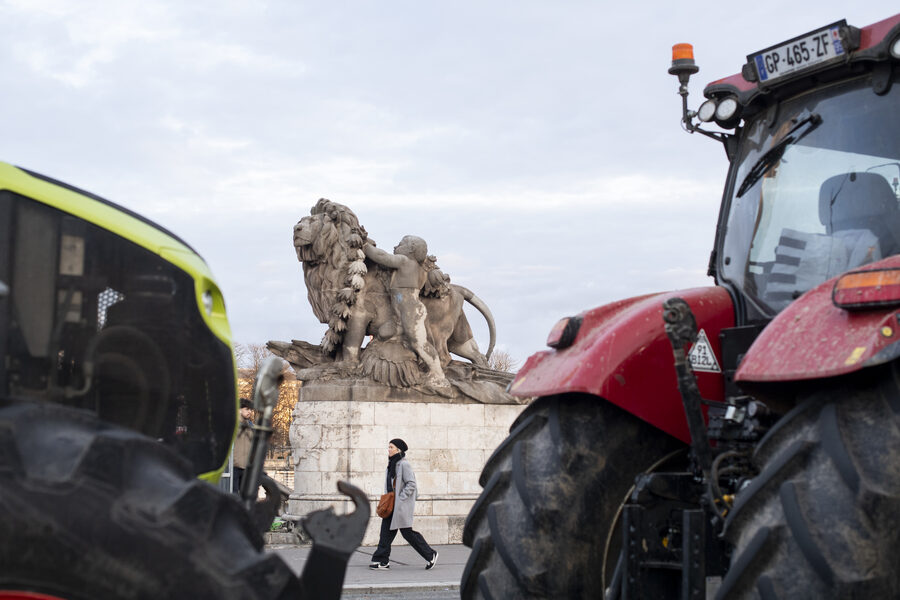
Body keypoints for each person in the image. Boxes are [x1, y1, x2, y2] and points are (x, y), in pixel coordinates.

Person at [363, 237, 449, 388]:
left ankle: (438, 375)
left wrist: (365, 246)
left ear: (410, 250)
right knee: (383, 333)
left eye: (401, 244)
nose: (396, 245)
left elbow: (382, 257)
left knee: (420, 344)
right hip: (400, 315)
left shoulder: (405, 261)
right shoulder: (415, 267)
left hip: (410, 312)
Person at [370, 438, 439, 570]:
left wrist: (401, 499)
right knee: (385, 531)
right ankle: (382, 560)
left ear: (398, 450)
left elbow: (411, 484)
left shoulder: (403, 464)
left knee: (407, 533)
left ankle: (430, 554)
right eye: (388, 447)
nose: (389, 450)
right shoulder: (391, 464)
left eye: (391, 447)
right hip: (391, 505)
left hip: (400, 506)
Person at [232, 398, 254, 494]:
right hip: (234, 466)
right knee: (234, 495)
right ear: (239, 409)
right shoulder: (233, 424)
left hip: (246, 467)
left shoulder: (251, 426)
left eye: (251, 410)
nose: (250, 412)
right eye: (247, 409)